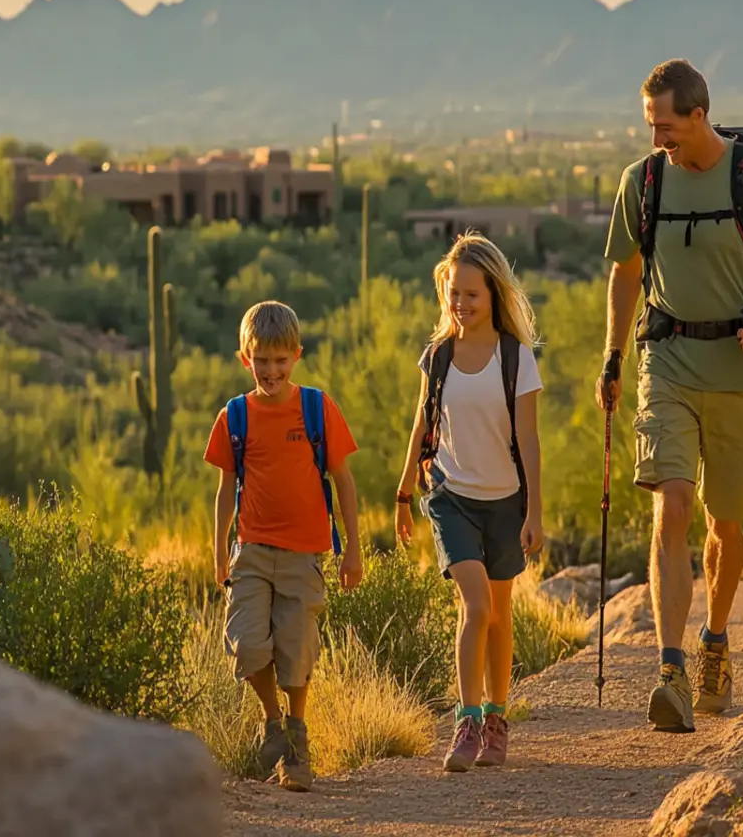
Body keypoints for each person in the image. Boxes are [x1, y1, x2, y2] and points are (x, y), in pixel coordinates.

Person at [596, 58, 743, 733]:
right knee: (672, 502)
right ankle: (670, 671)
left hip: (735, 369)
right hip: (665, 359)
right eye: (649, 123)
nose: (655, 134)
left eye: (665, 123)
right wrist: (610, 357)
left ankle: (715, 641)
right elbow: (626, 276)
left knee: (727, 523)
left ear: (698, 116)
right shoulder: (643, 183)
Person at [393, 232, 544, 773]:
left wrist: (536, 512)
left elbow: (528, 440)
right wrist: (405, 489)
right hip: (450, 496)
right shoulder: (437, 356)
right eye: (454, 293)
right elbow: (420, 424)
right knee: (476, 605)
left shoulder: (516, 358)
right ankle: (467, 721)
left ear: (494, 295)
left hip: (504, 501)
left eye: (471, 295)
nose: (461, 303)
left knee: (499, 616)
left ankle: (498, 720)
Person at [205, 299, 364, 791]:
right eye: (261, 360)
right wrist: (217, 552)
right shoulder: (234, 417)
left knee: (296, 653)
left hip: (304, 553)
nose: (271, 371)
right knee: (248, 645)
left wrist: (353, 549)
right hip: (250, 552)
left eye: (280, 360)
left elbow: (344, 480)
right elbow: (224, 489)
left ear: (296, 355)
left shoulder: (318, 408)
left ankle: (295, 742)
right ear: (244, 358)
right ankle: (273, 720)